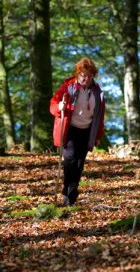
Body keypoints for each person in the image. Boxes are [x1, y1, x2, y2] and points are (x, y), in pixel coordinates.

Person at [50, 57, 105, 206]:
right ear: (77, 74)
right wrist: (59, 108)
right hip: (70, 129)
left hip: (87, 131)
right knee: (69, 159)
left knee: (80, 162)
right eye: (82, 75)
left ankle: (72, 190)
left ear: (92, 76)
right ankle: (68, 189)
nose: (85, 79)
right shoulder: (68, 87)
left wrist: (98, 135)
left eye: (88, 76)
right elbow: (53, 103)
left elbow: (100, 116)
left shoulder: (97, 92)